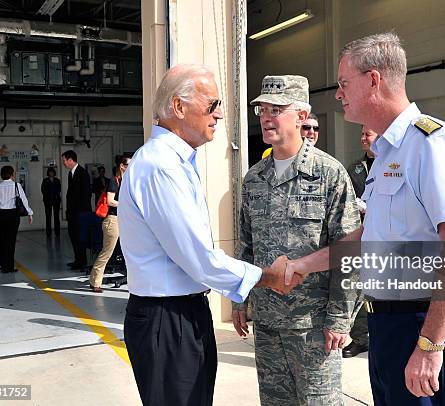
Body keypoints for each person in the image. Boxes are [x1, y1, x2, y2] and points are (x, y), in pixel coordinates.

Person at [283, 33, 445, 405]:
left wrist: (430, 344)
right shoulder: (389, 152)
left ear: (373, 80)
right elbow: (370, 234)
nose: (338, 94)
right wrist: (302, 265)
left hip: (421, 324)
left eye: (344, 84)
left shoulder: (433, 144)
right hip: (387, 326)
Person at [117, 64, 303, 406]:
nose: (218, 115)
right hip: (167, 319)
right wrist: (266, 276)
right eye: (212, 105)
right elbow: (198, 258)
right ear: (178, 107)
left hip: (183, 312)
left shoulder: (176, 162)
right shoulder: (162, 167)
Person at [232, 75, 361, 405]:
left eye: (277, 109)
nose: (265, 116)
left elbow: (350, 252)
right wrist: (239, 300)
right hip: (268, 325)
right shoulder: (254, 178)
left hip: (314, 328)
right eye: (262, 109)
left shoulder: (328, 174)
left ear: (302, 116)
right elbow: (246, 244)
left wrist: (339, 319)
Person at [342, 125, 378, 359]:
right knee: (360, 290)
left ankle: (381, 335)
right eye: (362, 134)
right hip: (361, 237)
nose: (363, 138)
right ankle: (360, 338)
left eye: (368, 134)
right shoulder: (353, 169)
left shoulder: (392, 164)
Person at [88, 157, 131, 293]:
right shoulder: (114, 181)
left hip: (122, 219)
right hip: (112, 220)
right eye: (128, 164)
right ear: (122, 166)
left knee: (127, 251)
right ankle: (95, 282)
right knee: (107, 252)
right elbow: (111, 201)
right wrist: (126, 204)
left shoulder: (125, 181)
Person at [0, 165, 33, 273]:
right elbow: (23, 200)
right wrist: (30, 213)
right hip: (12, 215)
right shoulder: (16, 185)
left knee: (3, 239)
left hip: (1, 215)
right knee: (11, 241)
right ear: (12, 174)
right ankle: (8, 267)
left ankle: (2, 263)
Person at [62, 150, 92, 270]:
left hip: (80, 213)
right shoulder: (71, 173)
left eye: (64, 160)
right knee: (73, 236)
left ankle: (82, 261)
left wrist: (80, 212)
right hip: (72, 213)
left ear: (70, 160)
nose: (63, 163)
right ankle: (78, 259)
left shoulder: (82, 173)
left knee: (80, 237)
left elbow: (86, 194)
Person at [41, 167, 61, 237]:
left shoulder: (57, 180)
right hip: (47, 201)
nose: (51, 173)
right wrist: (47, 195)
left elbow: (59, 189)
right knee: (48, 217)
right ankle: (48, 233)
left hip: (56, 201)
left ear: (54, 173)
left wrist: (56, 195)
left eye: (52, 172)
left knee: (56, 216)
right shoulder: (45, 180)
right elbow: (43, 190)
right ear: (48, 173)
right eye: (50, 172)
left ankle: (57, 232)